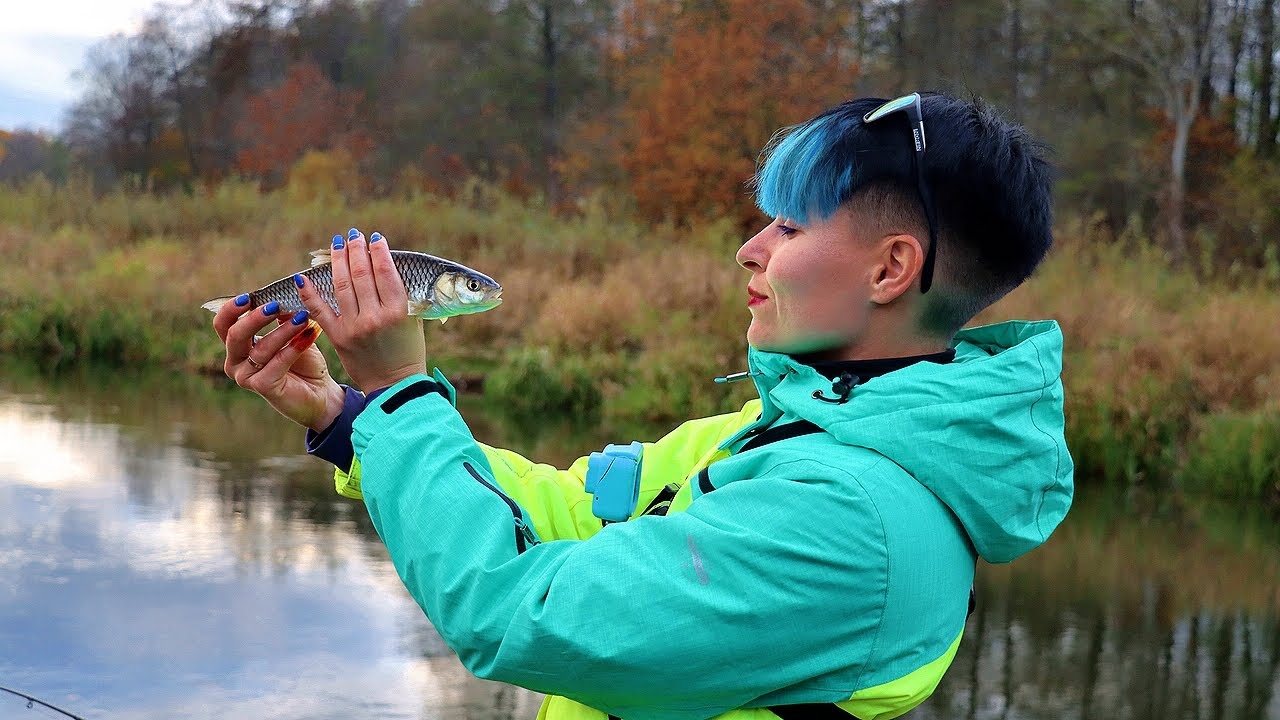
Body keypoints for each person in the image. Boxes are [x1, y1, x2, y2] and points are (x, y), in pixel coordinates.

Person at [212, 92, 1073, 720]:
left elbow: (519, 611)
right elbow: (550, 515)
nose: (750, 248)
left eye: (791, 228)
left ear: (891, 270)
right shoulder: (772, 434)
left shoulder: (848, 519)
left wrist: (403, 393)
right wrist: (347, 418)